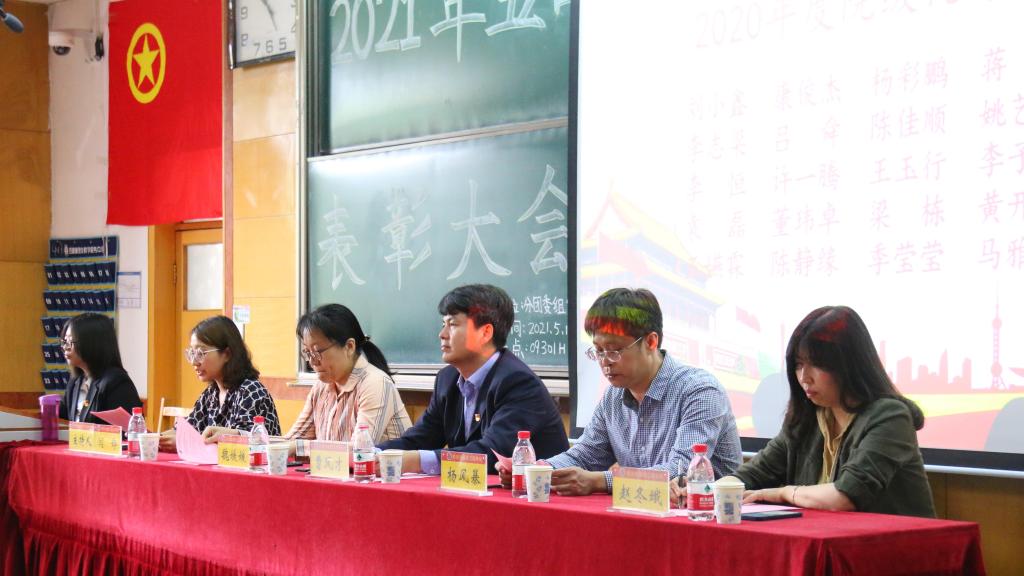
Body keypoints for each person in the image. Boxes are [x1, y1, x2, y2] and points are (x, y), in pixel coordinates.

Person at [499, 288, 742, 497]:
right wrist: (535, 470)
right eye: (598, 351)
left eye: (614, 350)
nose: (605, 361)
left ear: (651, 342)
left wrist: (600, 481)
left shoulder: (699, 390)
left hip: (710, 517)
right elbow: (586, 454)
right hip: (643, 512)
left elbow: (682, 471)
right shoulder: (613, 396)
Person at [727, 305, 936, 517]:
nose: (804, 377)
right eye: (798, 364)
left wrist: (783, 493)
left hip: (895, 538)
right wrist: (716, 489)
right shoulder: (808, 417)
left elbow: (846, 495)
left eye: (816, 364)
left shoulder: (890, 416)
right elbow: (754, 474)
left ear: (849, 364)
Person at [378, 284, 569, 474]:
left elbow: (492, 454)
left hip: (538, 491)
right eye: (443, 324)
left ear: (485, 333)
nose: (442, 334)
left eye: (453, 325)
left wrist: (415, 461)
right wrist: (373, 453)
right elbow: (419, 439)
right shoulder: (447, 379)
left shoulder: (518, 383)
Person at [210, 304, 413, 457]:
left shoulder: (375, 383)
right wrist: (235, 436)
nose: (312, 362)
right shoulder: (321, 387)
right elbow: (290, 441)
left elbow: (360, 451)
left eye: (317, 352)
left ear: (349, 347)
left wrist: (298, 447)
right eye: (307, 353)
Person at [159, 316, 280, 451]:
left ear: (227, 354)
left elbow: (248, 444)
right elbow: (187, 429)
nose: (194, 362)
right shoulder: (211, 394)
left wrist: (184, 442)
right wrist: (156, 438)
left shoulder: (251, 391)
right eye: (192, 353)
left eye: (201, 353)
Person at [58, 313, 142, 423]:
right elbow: (64, 417)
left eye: (70, 342)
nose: (65, 347)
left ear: (91, 344)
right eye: (64, 341)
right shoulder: (75, 381)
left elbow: (127, 428)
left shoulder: (116, 382)